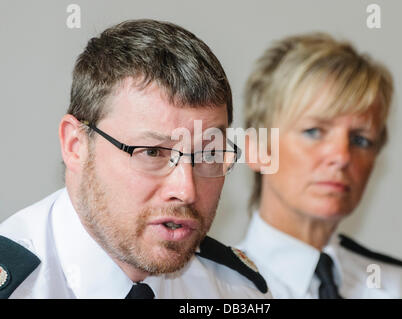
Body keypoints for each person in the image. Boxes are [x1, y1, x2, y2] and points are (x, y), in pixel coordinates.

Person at [0, 19, 270, 299]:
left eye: (208, 154)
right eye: (152, 152)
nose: (186, 191)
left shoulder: (234, 291)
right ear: (75, 145)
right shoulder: (20, 287)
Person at [238, 33, 402, 298]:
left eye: (360, 140)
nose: (342, 156)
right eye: (314, 131)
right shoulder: (208, 291)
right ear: (258, 149)